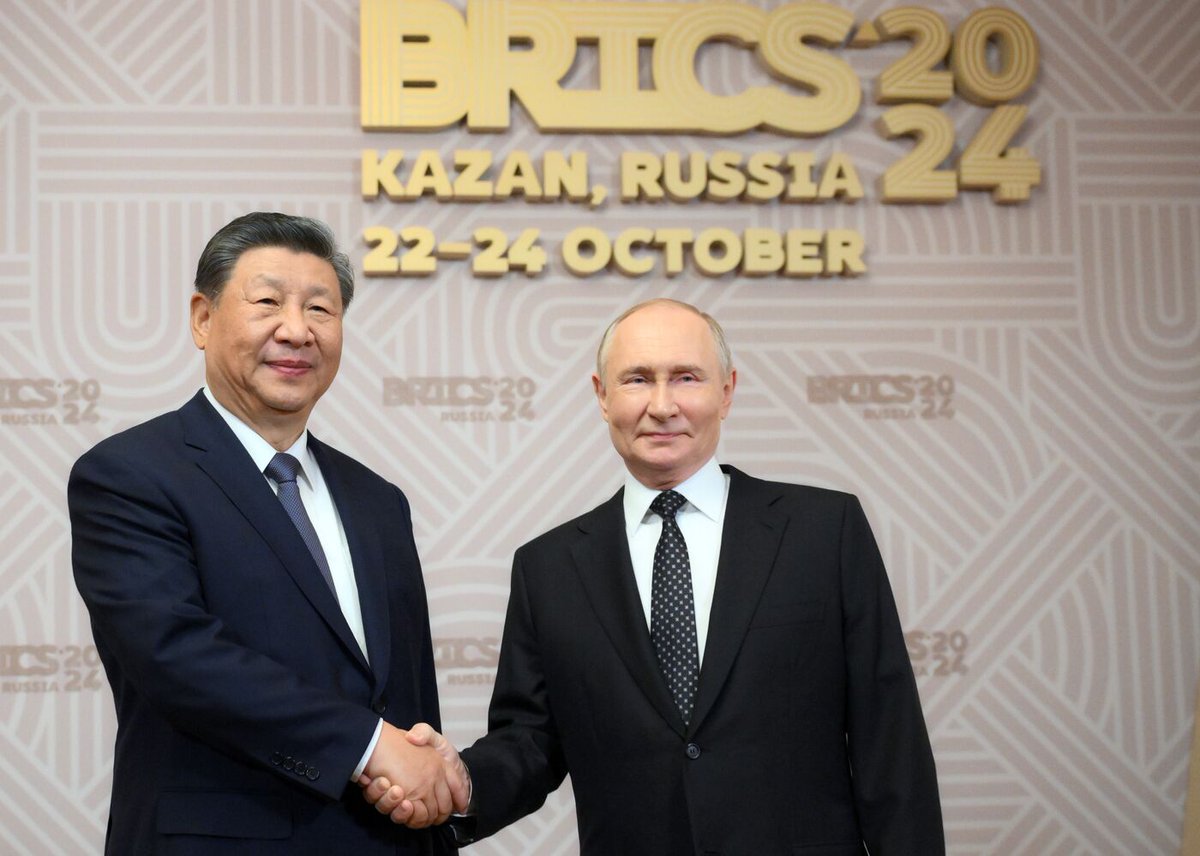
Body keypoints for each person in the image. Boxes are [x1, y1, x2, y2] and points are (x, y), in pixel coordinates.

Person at [367, 298, 945, 854]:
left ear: (727, 391)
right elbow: (531, 740)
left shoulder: (824, 532)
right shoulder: (549, 567)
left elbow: (888, 740)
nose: (662, 405)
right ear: (602, 396)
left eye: (687, 378)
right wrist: (462, 781)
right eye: (638, 379)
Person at [68, 212, 466, 854]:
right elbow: (178, 656)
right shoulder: (128, 475)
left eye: (320, 309)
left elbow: (406, 695)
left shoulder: (377, 500)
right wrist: (369, 747)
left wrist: (428, 796)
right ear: (202, 318)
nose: (296, 330)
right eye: (268, 303)